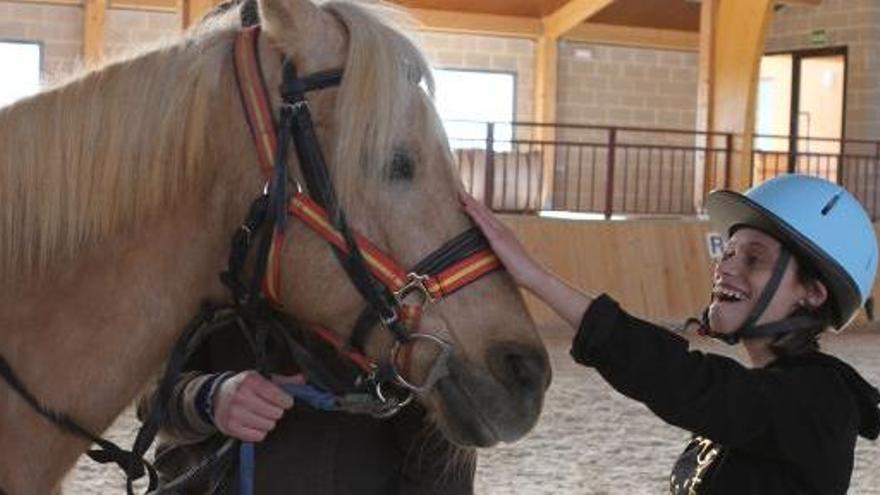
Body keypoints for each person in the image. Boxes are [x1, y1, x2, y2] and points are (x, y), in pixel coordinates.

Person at [461, 174, 880, 494]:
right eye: (728, 252)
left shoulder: (818, 402)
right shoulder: (769, 390)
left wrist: (536, 278)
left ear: (811, 292)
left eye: (754, 259)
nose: (727, 267)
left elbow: (681, 379)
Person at [137, 318, 473, 494]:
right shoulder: (220, 257)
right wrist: (210, 397)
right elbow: (151, 401)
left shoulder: (403, 298)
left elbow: (440, 460)